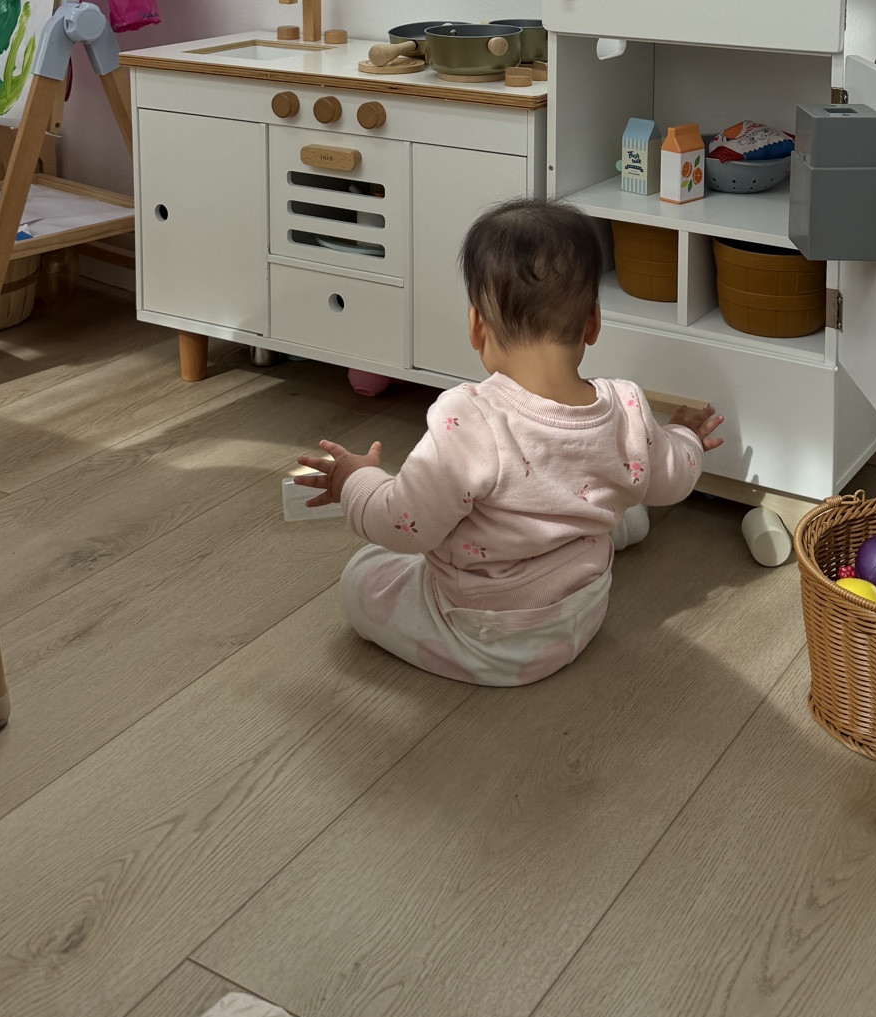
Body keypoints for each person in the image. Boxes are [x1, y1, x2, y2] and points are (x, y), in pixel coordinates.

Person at [294, 198, 724, 686]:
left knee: (362, 577)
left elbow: (402, 525)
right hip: (583, 612)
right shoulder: (626, 408)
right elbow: (672, 479)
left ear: (476, 327)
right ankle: (614, 525)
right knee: (612, 491)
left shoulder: (470, 420)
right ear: (593, 324)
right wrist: (685, 435)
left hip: (487, 638)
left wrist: (356, 481)